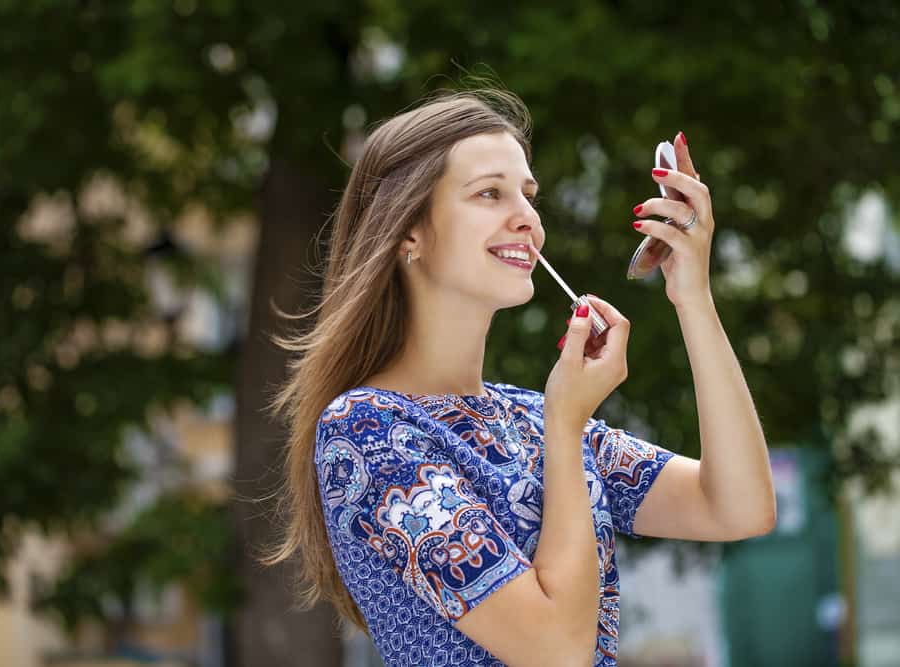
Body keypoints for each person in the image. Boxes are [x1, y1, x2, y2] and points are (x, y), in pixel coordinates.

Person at [262, 88, 777, 667]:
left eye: (528, 196)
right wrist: (565, 424)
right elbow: (555, 651)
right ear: (409, 231)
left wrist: (693, 297)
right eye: (489, 193)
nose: (527, 219)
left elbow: (738, 507)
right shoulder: (369, 431)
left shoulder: (528, 416)